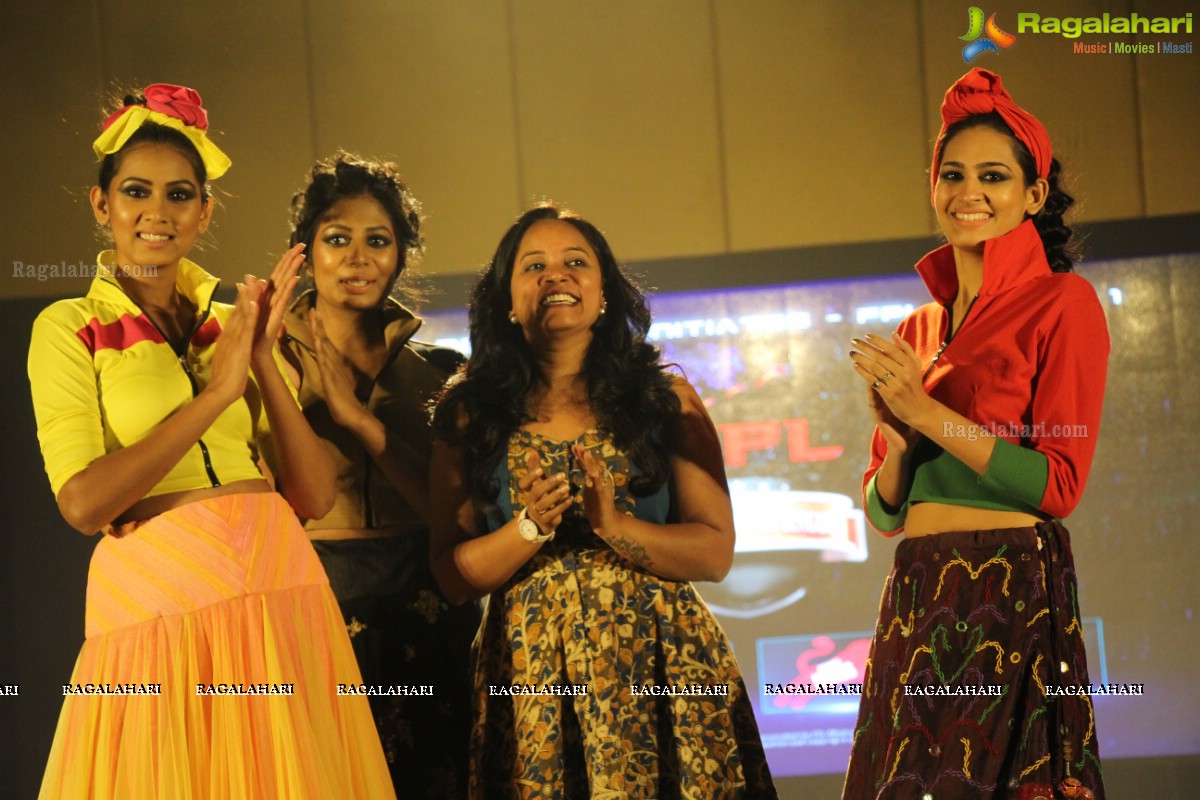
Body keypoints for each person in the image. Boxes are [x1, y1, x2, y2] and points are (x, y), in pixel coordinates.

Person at [28, 85, 395, 799]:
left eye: (179, 194)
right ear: (102, 204)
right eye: (136, 192)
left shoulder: (234, 323)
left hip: (281, 586)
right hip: (160, 601)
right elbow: (81, 503)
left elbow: (314, 496)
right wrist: (216, 395)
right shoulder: (66, 327)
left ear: (204, 210)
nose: (157, 213)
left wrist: (257, 357)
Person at [429, 204, 778, 799]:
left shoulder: (664, 395)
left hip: (662, 660)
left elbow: (714, 554)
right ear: (508, 302)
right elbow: (451, 578)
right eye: (533, 265)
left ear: (604, 290)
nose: (556, 276)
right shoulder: (468, 411)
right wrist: (527, 529)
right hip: (532, 675)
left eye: (575, 262)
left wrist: (615, 525)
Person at [842, 69, 1107, 799]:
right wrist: (898, 444)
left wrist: (929, 416)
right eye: (952, 174)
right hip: (917, 587)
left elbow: (1060, 483)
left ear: (1034, 194)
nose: (969, 192)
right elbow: (883, 513)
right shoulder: (916, 328)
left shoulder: (1065, 302)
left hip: (1009, 586)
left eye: (993, 176)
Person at [279, 152, 481, 798]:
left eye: (378, 241)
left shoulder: (443, 372)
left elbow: (458, 514)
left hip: (428, 613)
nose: (358, 257)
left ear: (400, 257)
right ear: (305, 253)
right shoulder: (260, 361)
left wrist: (359, 420)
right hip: (310, 611)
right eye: (337, 239)